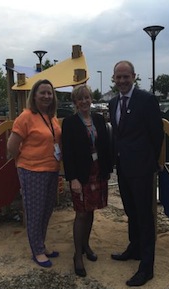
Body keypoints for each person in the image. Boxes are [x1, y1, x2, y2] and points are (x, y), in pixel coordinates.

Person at [108, 60, 164, 286]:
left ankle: (147, 267)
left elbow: (156, 135)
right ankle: (135, 248)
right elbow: (118, 136)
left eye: (125, 77)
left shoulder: (146, 100)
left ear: (133, 77)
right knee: (131, 211)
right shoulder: (113, 103)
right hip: (123, 168)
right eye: (118, 77)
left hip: (141, 169)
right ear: (114, 78)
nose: (122, 81)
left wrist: (147, 161)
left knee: (145, 216)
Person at [7, 79, 62, 268]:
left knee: (46, 211)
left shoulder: (51, 116)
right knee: (35, 212)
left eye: (49, 93)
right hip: (32, 171)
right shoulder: (26, 117)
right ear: (34, 95)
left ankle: (41, 244)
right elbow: (12, 145)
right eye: (42, 93)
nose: (47, 96)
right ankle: (37, 251)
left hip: (51, 169)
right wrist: (22, 162)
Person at [61, 84, 112, 277]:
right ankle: (77, 255)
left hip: (97, 171)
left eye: (87, 98)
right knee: (81, 213)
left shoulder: (99, 119)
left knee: (91, 211)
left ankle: (86, 245)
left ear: (91, 99)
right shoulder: (70, 123)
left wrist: (107, 170)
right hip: (80, 173)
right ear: (75, 103)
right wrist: (72, 178)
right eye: (79, 99)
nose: (84, 102)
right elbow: (68, 153)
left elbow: (105, 147)